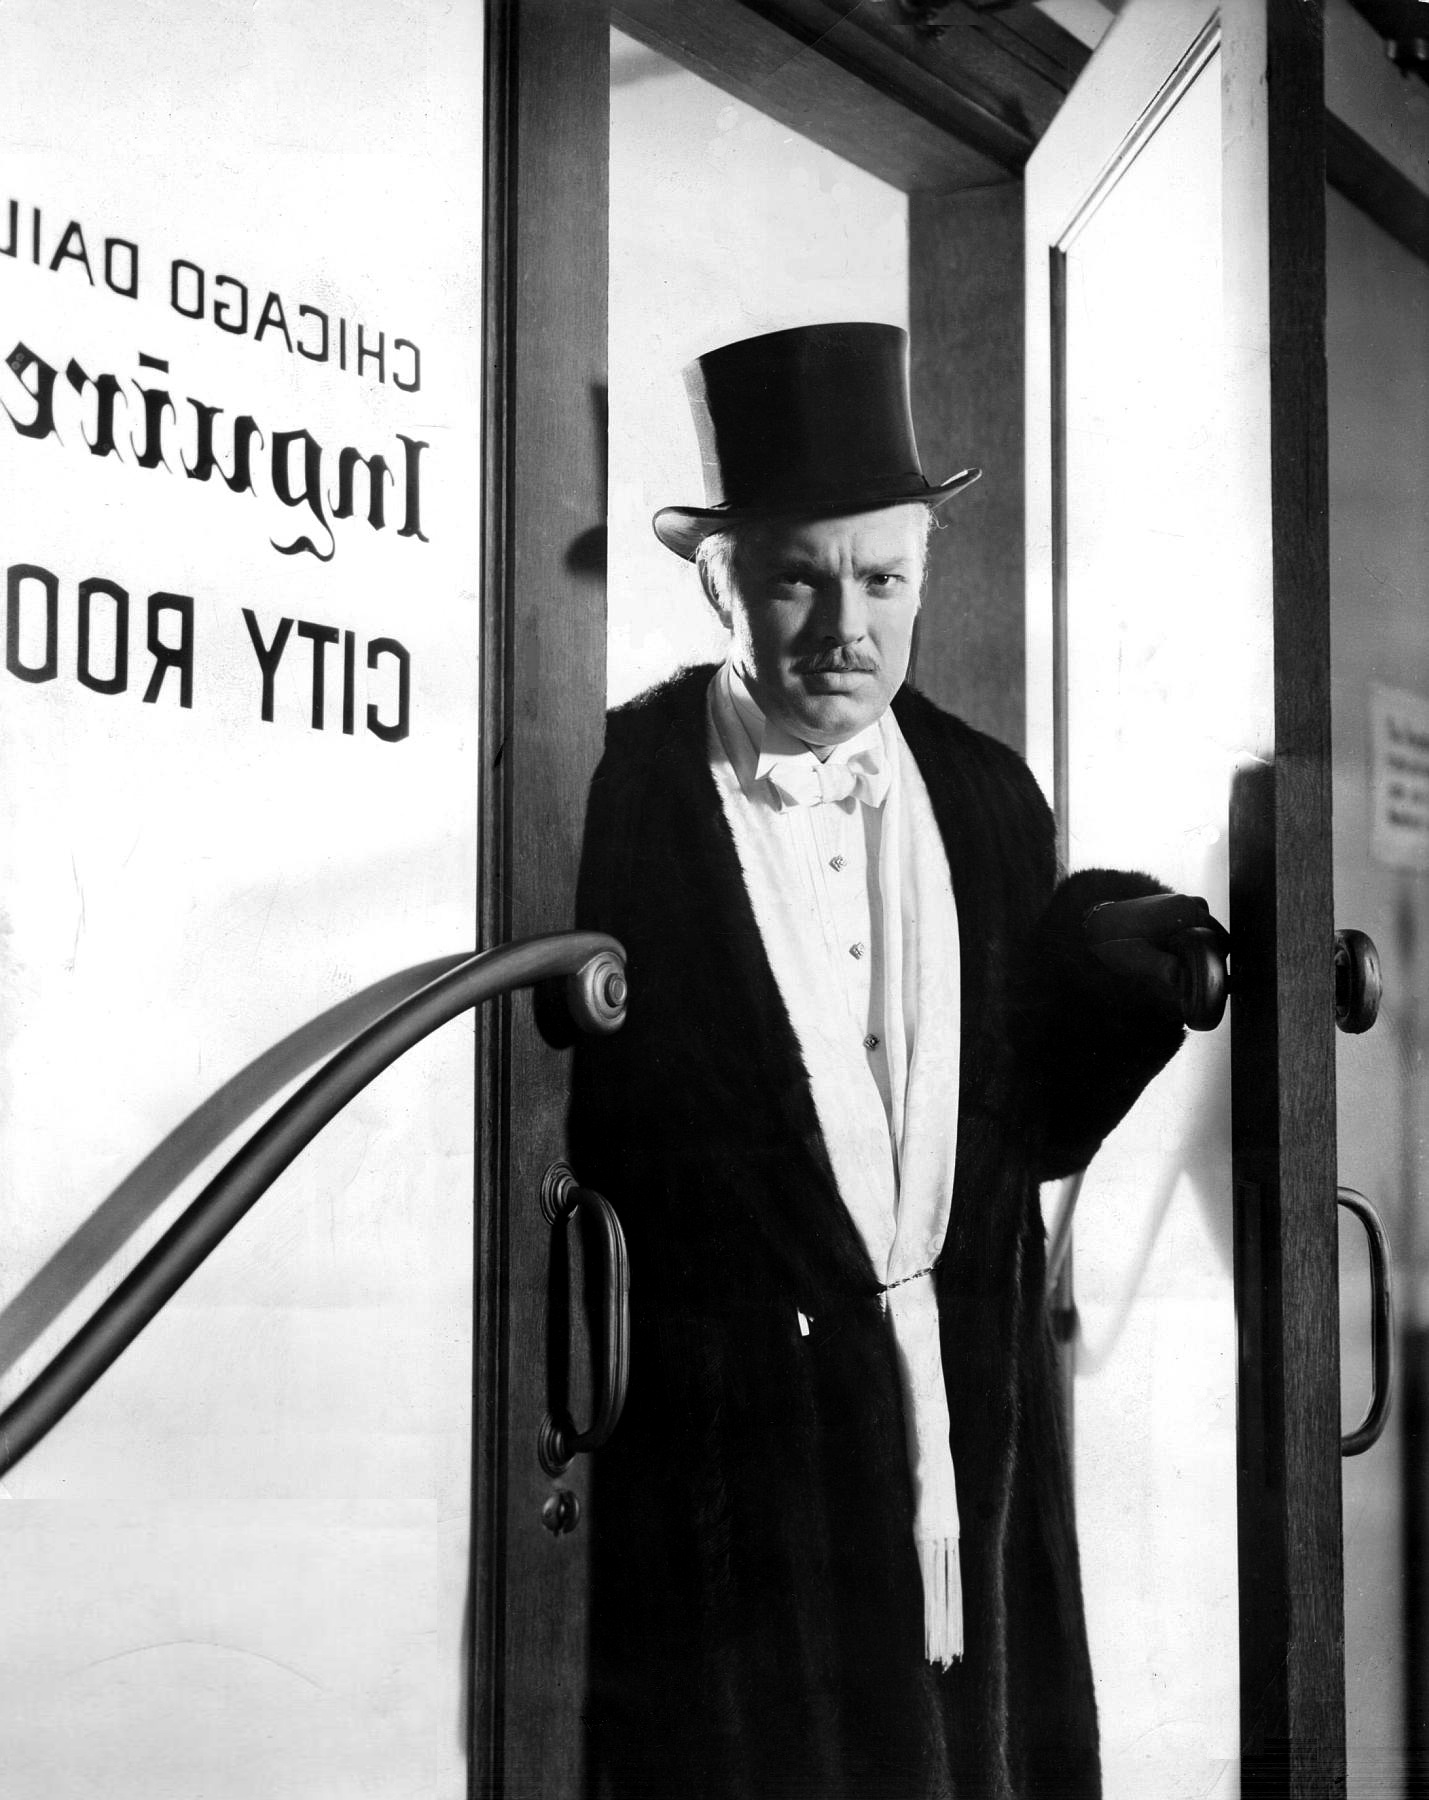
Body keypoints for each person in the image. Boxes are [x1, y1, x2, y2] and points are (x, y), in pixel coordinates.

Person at [570, 322, 1220, 1799]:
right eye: (798, 578)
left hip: (968, 1421)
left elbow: (1027, 1127)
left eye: (881, 580)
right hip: (732, 1462)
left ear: (923, 577)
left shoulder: (991, 797)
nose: (844, 627)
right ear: (719, 579)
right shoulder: (613, 789)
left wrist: (1119, 973)